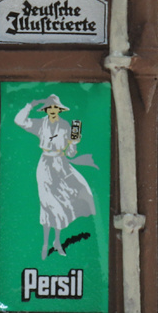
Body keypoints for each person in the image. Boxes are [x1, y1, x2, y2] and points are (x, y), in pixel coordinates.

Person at [14, 94, 96, 260]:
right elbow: (19, 121)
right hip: (45, 165)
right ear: (46, 110)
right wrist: (30, 105)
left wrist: (74, 144)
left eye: (55, 108)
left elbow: (71, 153)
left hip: (60, 164)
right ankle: (45, 243)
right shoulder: (40, 124)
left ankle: (57, 241)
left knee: (60, 203)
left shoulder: (65, 126)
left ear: (59, 110)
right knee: (46, 203)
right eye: (49, 107)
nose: (52, 110)